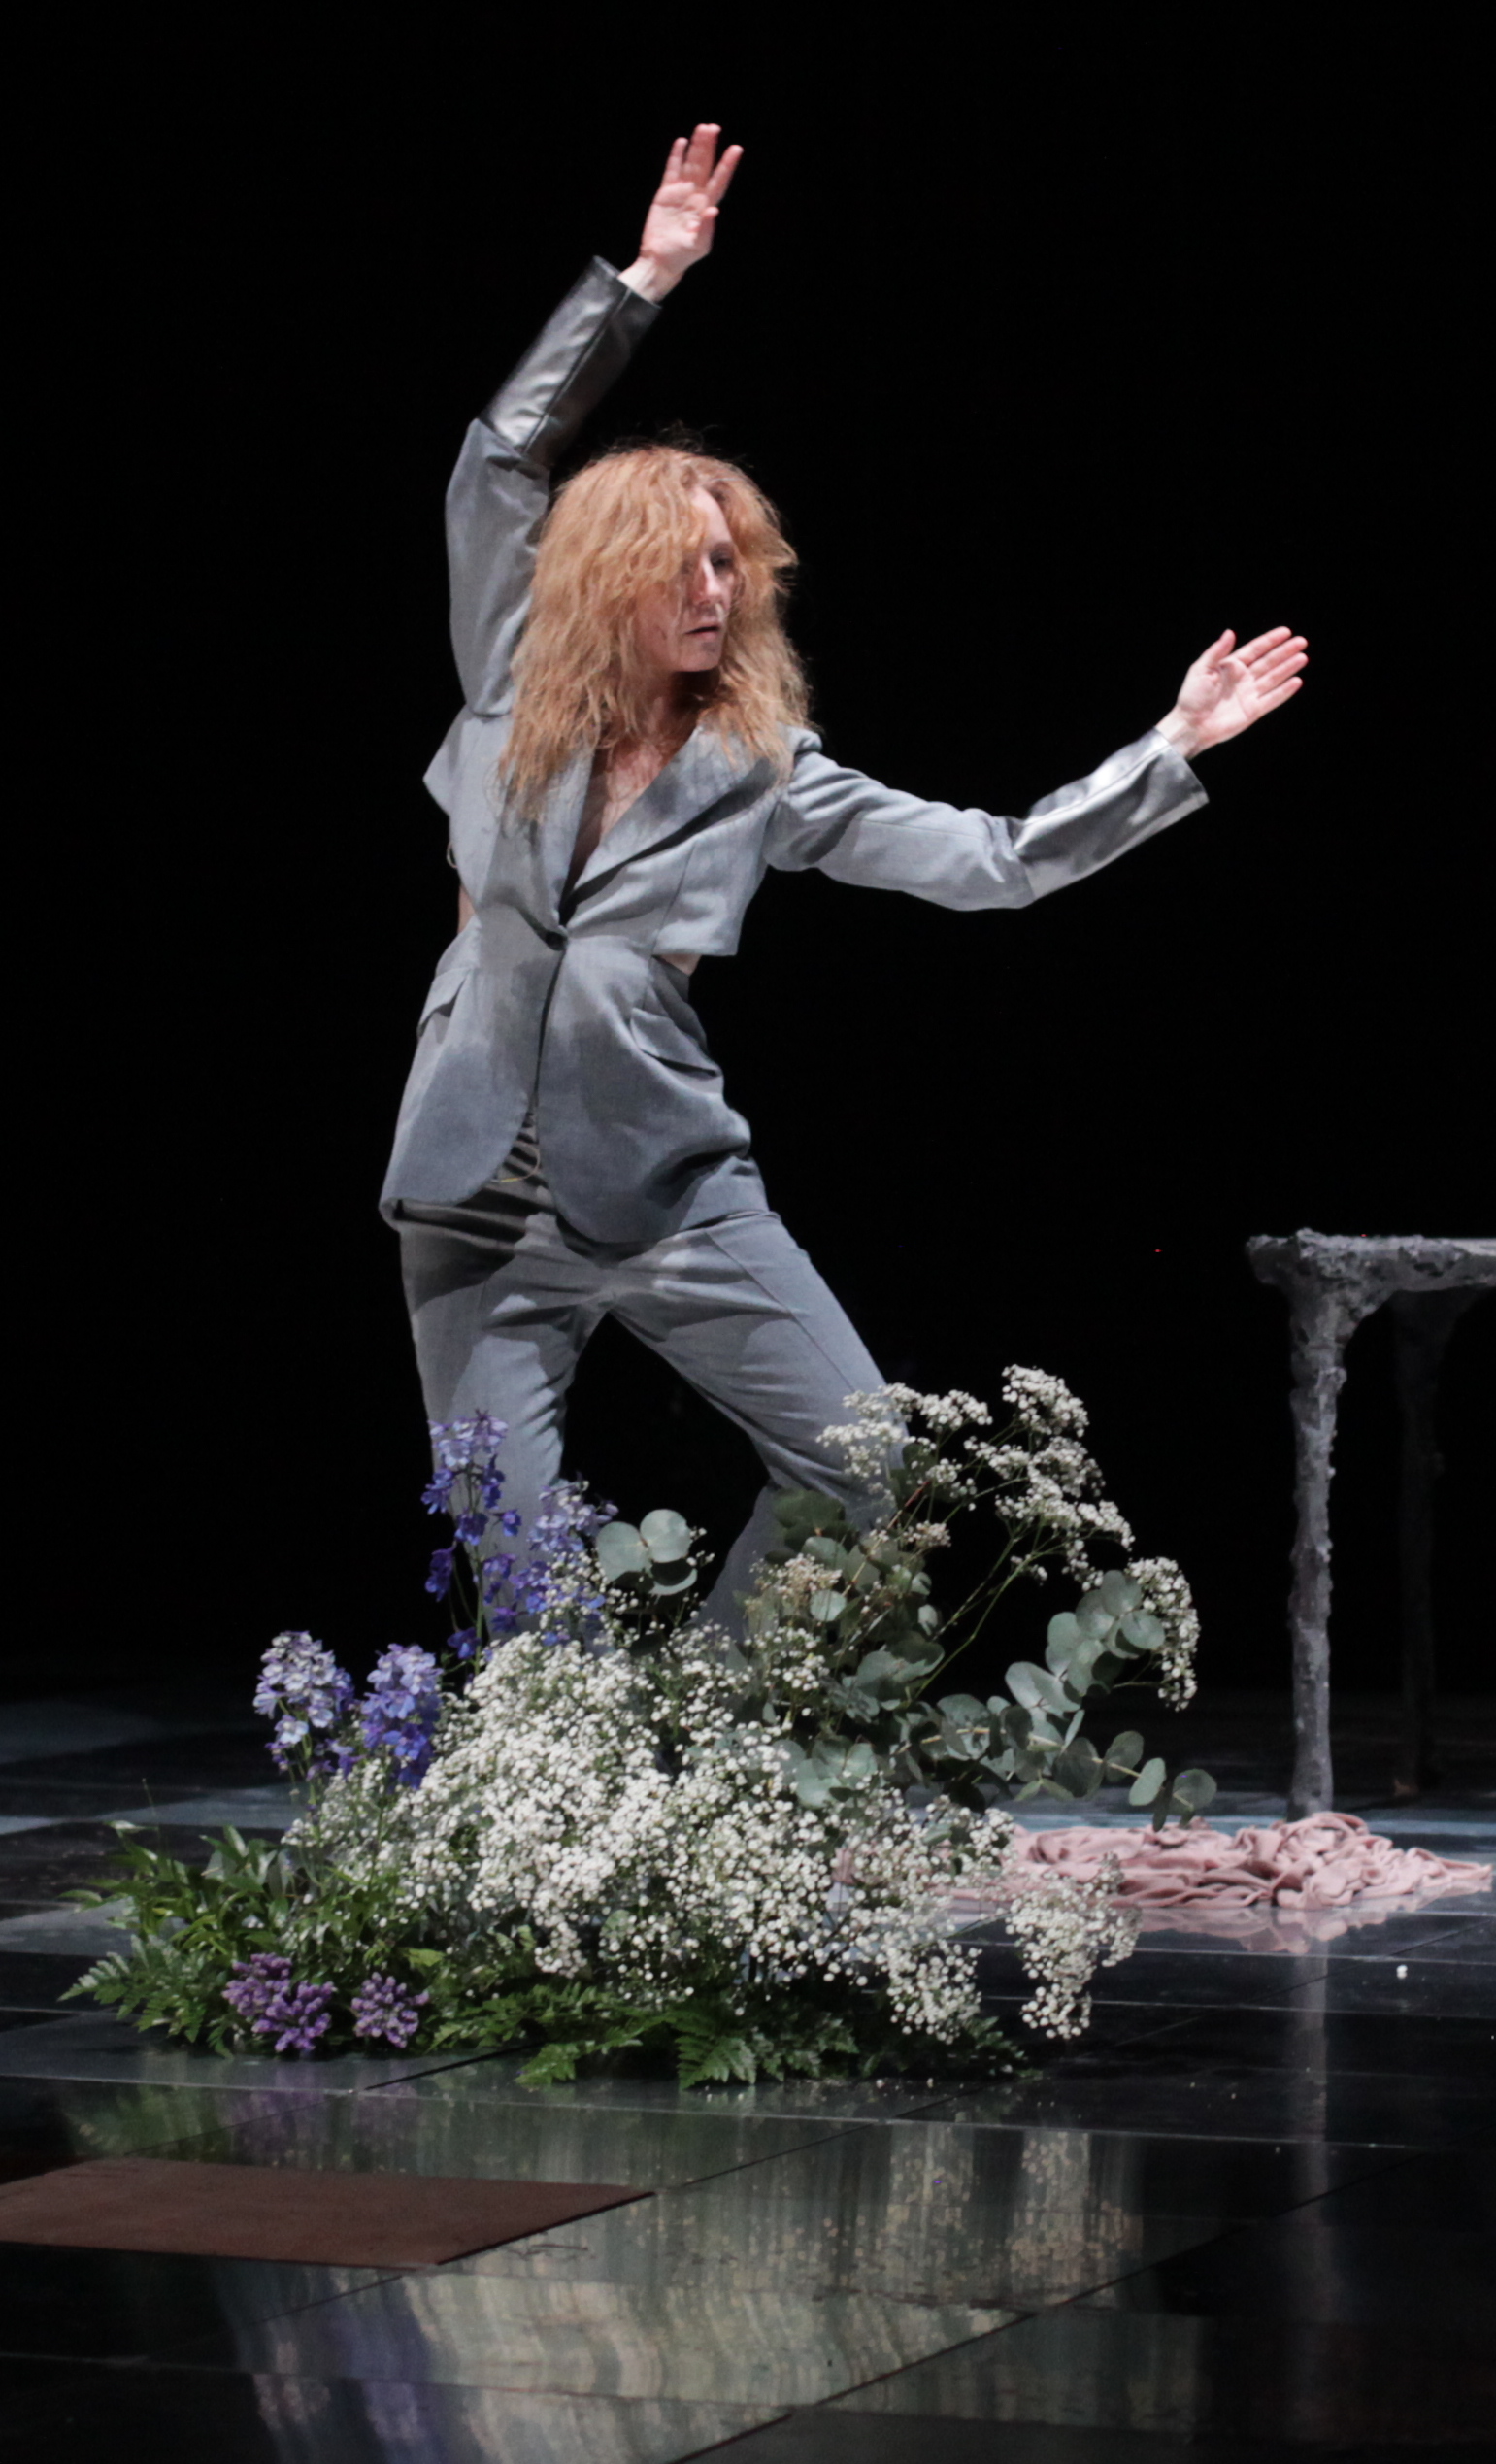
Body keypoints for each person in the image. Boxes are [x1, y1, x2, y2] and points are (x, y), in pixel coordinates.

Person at [383, 123, 1310, 1614]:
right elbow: (495, 460)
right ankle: (582, 1747)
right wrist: (645, 281)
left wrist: (1172, 745)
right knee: (516, 1565)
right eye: (684, 562)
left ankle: (708, 1717)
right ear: (603, 576)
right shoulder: (508, 685)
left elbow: (996, 863)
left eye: (729, 563)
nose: (715, 588)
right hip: (471, 1190)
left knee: (869, 1470)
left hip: (671, 1186)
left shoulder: (758, 766)